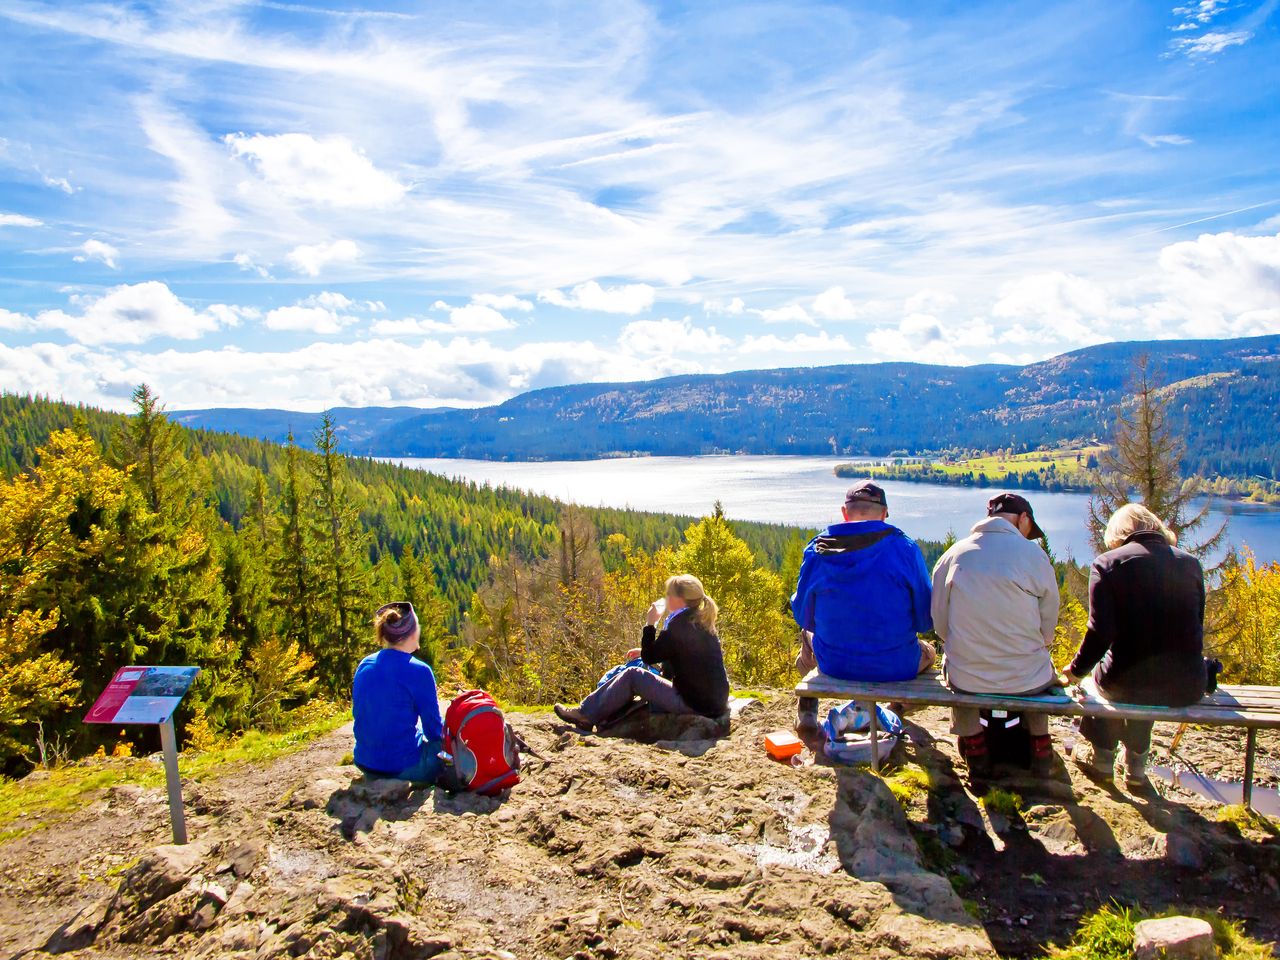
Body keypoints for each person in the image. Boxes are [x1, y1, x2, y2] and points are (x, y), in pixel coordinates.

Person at [1063, 503, 1207, 788]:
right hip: (1186, 686)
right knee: (1150, 671)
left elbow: (1100, 632)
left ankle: (1102, 757)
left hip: (1126, 684)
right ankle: (1136, 765)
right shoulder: (1190, 564)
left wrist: (1076, 670)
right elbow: (1197, 624)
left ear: (1118, 535)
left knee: (1106, 678)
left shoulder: (1107, 564)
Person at [790, 480, 936, 733]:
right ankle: (895, 707)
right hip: (897, 664)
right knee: (930, 653)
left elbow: (803, 615)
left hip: (834, 663)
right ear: (884, 514)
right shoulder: (905, 549)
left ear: (844, 513)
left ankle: (807, 711)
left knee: (807, 635)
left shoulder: (817, 550)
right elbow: (925, 620)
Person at [931, 493, 1060, 778]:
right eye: (1029, 528)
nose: (1029, 535)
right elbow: (1048, 623)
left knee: (957, 674)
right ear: (1023, 519)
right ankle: (1040, 743)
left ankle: (975, 747)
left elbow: (940, 623)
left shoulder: (954, 555)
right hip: (1026, 677)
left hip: (969, 676)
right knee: (1041, 670)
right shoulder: (1034, 556)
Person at [555, 574, 730, 730]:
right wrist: (644, 651)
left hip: (694, 704)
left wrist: (650, 624)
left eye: (669, 594)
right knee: (638, 668)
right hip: (714, 702)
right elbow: (678, 654)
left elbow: (650, 656)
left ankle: (586, 713)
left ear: (680, 600)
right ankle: (593, 710)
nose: (666, 597)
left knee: (632, 674)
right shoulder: (700, 620)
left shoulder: (679, 625)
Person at [351, 601, 445, 785]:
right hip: (402, 767)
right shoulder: (420, 671)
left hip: (365, 762)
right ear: (411, 633)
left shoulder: (365, 664)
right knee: (443, 749)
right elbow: (434, 731)